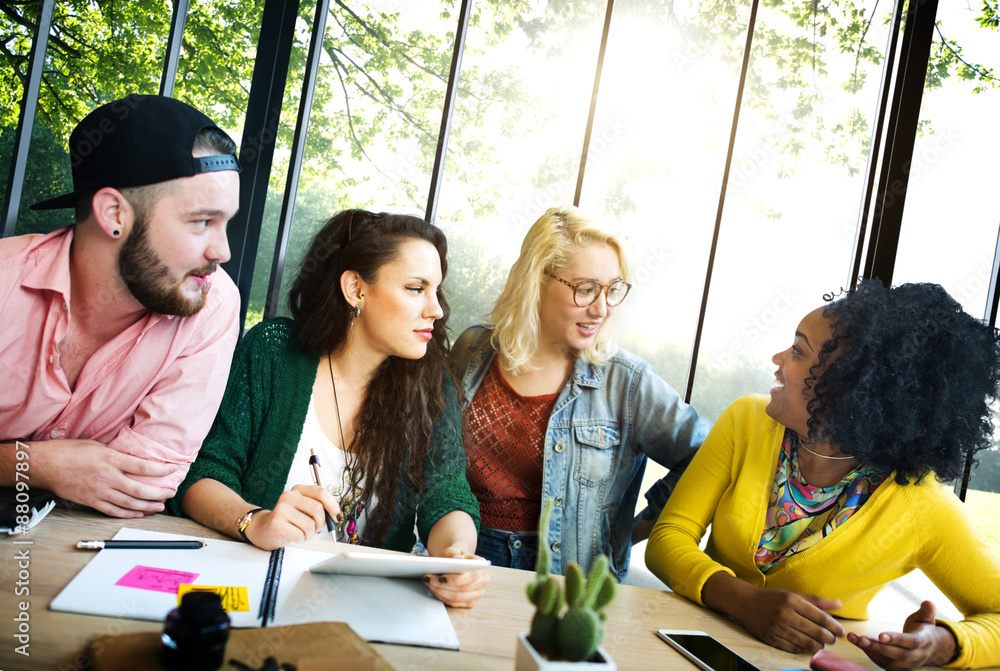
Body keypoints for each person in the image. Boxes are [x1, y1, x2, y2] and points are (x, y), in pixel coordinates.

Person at [646, 281, 1000, 669]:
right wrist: (742, 600)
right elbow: (668, 539)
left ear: (852, 388)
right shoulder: (745, 422)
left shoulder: (921, 504)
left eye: (798, 351)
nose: (777, 357)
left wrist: (942, 644)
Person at [168, 209, 489, 608]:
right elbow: (203, 473)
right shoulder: (274, 352)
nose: (436, 310)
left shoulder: (430, 385)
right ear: (356, 288)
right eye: (415, 288)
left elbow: (448, 495)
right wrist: (255, 520)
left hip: (365, 604)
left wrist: (456, 555)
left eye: (436, 291)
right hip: (252, 590)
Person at [0, 94, 241, 518]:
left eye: (227, 223)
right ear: (113, 213)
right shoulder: (5, 280)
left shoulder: (212, 304)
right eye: (202, 221)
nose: (222, 251)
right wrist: (36, 465)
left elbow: (144, 484)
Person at [452, 205, 709, 581]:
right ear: (536, 280)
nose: (602, 309)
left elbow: (707, 458)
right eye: (586, 289)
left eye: (613, 289)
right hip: (462, 557)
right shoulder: (473, 349)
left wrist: (626, 533)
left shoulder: (629, 382)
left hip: (563, 580)